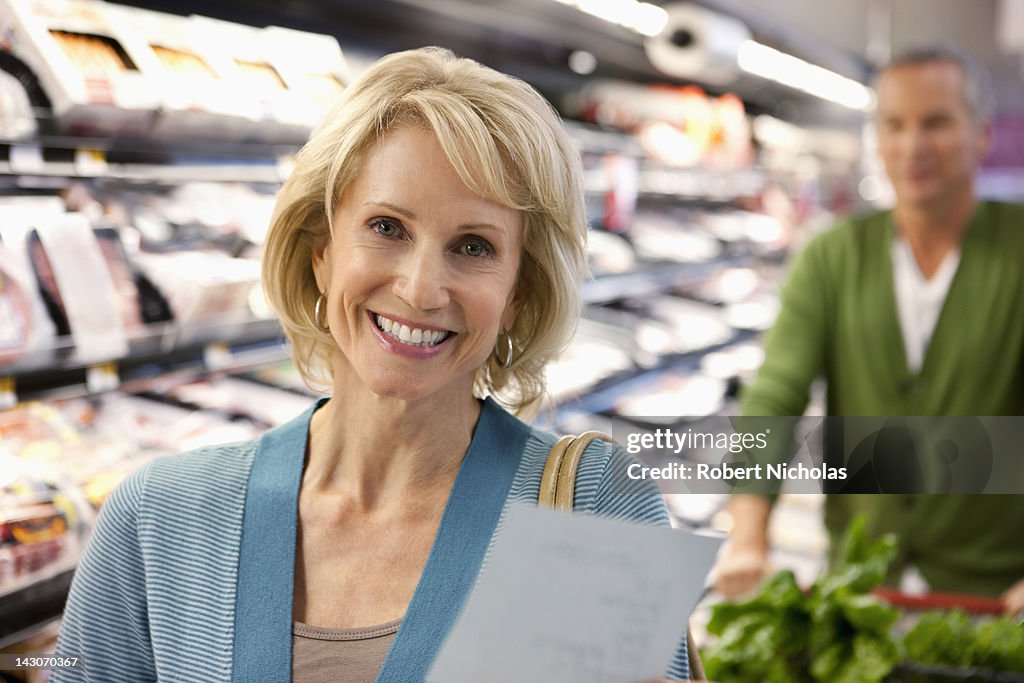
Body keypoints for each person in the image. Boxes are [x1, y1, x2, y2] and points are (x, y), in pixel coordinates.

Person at [52, 48, 698, 681]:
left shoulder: (594, 504)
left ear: (517, 293)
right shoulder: (160, 515)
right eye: (387, 227)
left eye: (473, 246)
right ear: (320, 250)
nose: (420, 289)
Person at [712, 46, 1024, 614]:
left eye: (936, 122)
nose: (912, 146)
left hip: (994, 596)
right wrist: (748, 531)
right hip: (859, 590)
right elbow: (776, 394)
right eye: (894, 125)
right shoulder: (832, 256)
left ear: (981, 134)